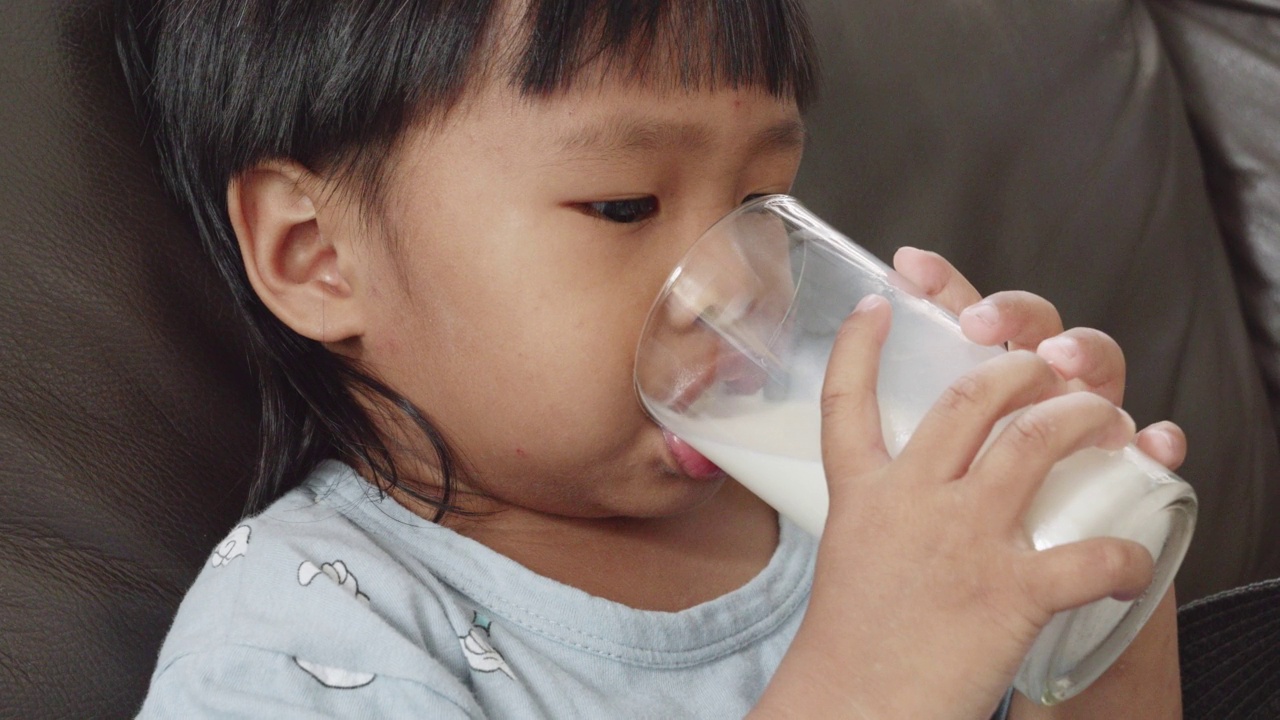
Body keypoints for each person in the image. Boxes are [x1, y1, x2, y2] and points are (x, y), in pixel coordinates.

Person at [117, 1, 1185, 717]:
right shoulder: (307, 642)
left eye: (763, 205)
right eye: (622, 204)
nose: (741, 289)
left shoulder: (854, 501)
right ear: (318, 257)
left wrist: (1089, 586)